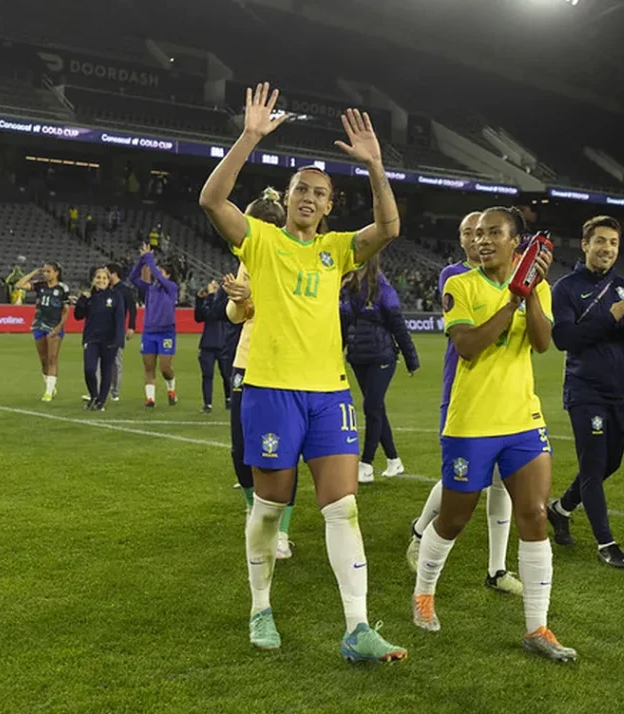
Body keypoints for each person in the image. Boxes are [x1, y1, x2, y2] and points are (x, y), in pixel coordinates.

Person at [199, 83, 406, 661]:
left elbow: (388, 228)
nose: (309, 198)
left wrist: (376, 167)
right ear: (287, 196)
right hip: (270, 391)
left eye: (319, 192)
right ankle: (260, 606)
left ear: (329, 204)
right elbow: (213, 201)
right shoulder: (260, 240)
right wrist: (250, 136)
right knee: (268, 507)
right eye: (301, 190)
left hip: (328, 395)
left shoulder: (337, 249)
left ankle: (357, 628)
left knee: (342, 507)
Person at [412, 206, 576, 662]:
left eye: (494, 233)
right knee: (454, 520)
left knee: (536, 516)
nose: (483, 240)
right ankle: (424, 593)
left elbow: (543, 343)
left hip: (522, 419)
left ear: (515, 243)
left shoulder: (532, 287)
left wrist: (533, 295)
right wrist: (512, 301)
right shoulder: (459, 285)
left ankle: (537, 627)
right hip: (471, 423)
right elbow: (467, 346)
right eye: (478, 234)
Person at [405, 211, 523, 597]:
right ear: (461, 240)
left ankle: (497, 568)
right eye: (470, 233)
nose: (478, 239)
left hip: (504, 396)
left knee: (501, 481)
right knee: (461, 478)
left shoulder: (509, 276)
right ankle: (421, 530)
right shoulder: (453, 277)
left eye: (486, 232)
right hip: (461, 388)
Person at [546, 215, 624, 569]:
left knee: (611, 462)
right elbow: (563, 339)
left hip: (620, 392)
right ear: (585, 244)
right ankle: (607, 544)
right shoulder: (566, 288)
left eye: (614, 243)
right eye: (601, 241)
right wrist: (611, 317)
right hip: (584, 390)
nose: (607, 248)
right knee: (593, 466)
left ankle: (560, 509)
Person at [222, 189, 295, 560]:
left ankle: (281, 531)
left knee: (285, 451)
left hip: (284, 363)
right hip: (247, 360)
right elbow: (236, 317)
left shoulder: (295, 257)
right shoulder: (247, 258)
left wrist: (258, 294)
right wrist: (240, 299)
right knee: (241, 446)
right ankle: (254, 508)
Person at [340, 255, 420, 483]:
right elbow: (342, 325)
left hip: (381, 356)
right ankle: (394, 461)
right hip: (358, 357)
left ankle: (366, 464)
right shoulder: (346, 287)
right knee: (376, 409)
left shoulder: (383, 289)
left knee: (372, 406)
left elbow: (399, 326)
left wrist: (410, 358)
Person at [129, 246, 179, 407]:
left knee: (165, 368)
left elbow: (157, 276)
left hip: (166, 333)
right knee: (149, 367)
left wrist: (149, 259)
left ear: (168, 275)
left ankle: (171, 389)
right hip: (149, 332)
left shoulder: (171, 288)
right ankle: (150, 398)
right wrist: (142, 260)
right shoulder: (150, 288)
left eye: (161, 272)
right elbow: (132, 278)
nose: (158, 274)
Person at [73, 267, 126, 411]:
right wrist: (82, 300)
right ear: (93, 280)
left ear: (109, 281)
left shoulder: (116, 296)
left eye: (104, 278)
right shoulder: (89, 296)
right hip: (91, 338)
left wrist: (118, 339)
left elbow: (120, 319)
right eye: (98, 277)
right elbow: (78, 316)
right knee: (89, 369)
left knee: (106, 370)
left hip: (109, 340)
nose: (101, 280)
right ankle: (93, 395)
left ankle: (100, 401)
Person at [15, 262, 69, 402]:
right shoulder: (40, 285)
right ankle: (50, 385)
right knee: (43, 359)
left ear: (56, 273)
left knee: (52, 358)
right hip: (39, 324)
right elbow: (18, 285)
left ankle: (48, 392)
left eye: (48, 271)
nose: (45, 273)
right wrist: (34, 272)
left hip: (54, 325)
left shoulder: (62, 288)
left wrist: (59, 327)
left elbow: (66, 310)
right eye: (44, 271)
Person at [194, 278, 232, 415]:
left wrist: (212, 295)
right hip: (208, 343)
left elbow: (215, 313)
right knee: (207, 375)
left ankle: (229, 399)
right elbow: (199, 317)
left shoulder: (225, 301)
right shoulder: (209, 301)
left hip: (223, 342)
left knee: (227, 375)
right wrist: (199, 299)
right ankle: (207, 403)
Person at [106, 263, 138, 401]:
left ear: (114, 273)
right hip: (103, 328)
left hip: (117, 329)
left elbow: (132, 309)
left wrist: (131, 326)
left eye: (107, 273)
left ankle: (115, 391)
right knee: (101, 360)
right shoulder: (106, 288)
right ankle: (100, 389)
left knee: (116, 361)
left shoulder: (125, 290)